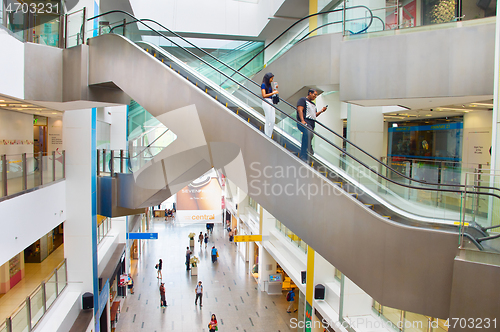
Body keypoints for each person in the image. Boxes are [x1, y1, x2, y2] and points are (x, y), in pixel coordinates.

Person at [296, 89, 327, 163]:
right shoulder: (303, 100)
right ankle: (309, 149)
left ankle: (304, 155)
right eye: (314, 94)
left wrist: (321, 111)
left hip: (311, 124)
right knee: (309, 134)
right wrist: (302, 120)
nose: (315, 96)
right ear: (310, 93)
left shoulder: (313, 104)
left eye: (316, 95)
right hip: (304, 122)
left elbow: (314, 115)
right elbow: (300, 110)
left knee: (307, 136)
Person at [261, 72, 279, 138]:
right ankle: (267, 135)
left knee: (272, 121)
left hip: (271, 101)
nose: (272, 80)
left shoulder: (269, 85)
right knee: (268, 119)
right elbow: (264, 95)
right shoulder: (263, 85)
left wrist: (275, 90)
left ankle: (269, 135)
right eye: (271, 78)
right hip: (266, 101)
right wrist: (273, 93)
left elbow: (271, 93)